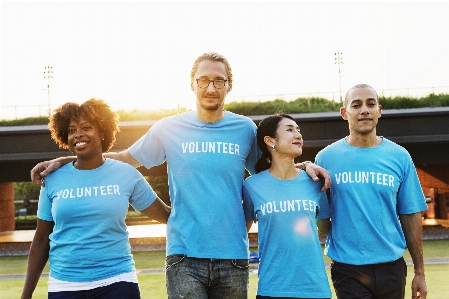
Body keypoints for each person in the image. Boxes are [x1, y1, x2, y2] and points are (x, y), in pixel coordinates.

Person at [30, 52, 331, 299]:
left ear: (229, 86)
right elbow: (123, 160)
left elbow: (274, 173)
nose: (210, 88)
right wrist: (68, 158)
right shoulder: (168, 128)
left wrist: (304, 166)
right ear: (192, 84)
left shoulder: (245, 130)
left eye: (219, 81)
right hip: (183, 257)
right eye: (203, 81)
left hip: (234, 257)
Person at [21, 99, 171, 299]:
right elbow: (40, 239)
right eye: (71, 130)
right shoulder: (52, 179)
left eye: (86, 127)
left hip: (117, 281)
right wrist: (26, 295)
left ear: (102, 132)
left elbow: (166, 215)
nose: (78, 134)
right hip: (65, 284)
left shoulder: (126, 174)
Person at [314, 84, 428, 299]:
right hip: (348, 268)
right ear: (344, 113)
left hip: (391, 267)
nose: (364, 110)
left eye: (371, 104)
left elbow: (411, 214)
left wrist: (420, 272)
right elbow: (323, 218)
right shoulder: (326, 158)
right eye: (356, 105)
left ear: (379, 111)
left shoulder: (400, 156)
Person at [243, 113, 332, 299]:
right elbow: (241, 231)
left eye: (298, 130)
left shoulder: (316, 182)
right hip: (271, 289)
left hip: (315, 289)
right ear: (270, 141)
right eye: (290, 130)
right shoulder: (252, 186)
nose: (298, 135)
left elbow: (326, 227)